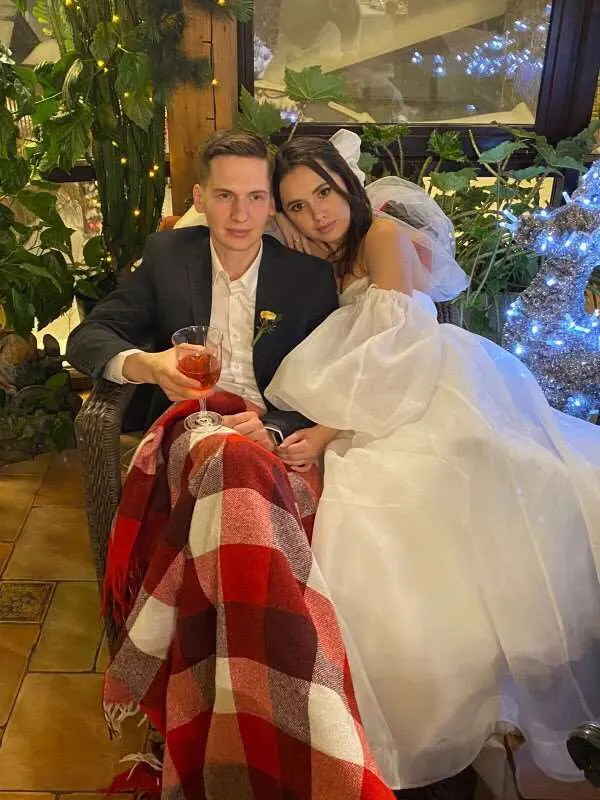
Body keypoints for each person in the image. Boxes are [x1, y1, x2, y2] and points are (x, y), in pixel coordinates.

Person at [265, 130, 600, 797]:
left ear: (349, 185)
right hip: (370, 384)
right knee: (372, 500)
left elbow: (400, 349)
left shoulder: (383, 235)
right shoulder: (319, 250)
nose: (316, 214)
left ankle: (466, 695)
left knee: (428, 483)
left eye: (324, 193)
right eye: (297, 206)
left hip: (427, 376)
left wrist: (330, 428)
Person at [66, 130, 338, 446]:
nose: (240, 215)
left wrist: (274, 429)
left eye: (255, 197)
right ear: (200, 198)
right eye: (224, 196)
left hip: (270, 437)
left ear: (272, 204)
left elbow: (330, 381)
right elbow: (87, 337)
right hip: (188, 426)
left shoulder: (310, 278)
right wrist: (151, 366)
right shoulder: (168, 257)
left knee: (238, 463)